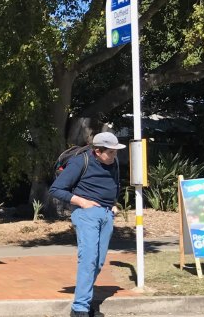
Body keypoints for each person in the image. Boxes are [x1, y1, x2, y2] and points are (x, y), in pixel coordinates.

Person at [49, 132, 126, 317]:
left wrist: (114, 204)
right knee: (88, 259)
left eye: (116, 152)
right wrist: (82, 202)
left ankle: (85, 301)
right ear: (97, 151)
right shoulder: (80, 162)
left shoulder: (113, 162)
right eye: (111, 153)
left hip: (107, 214)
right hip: (86, 214)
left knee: (98, 262)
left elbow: (113, 184)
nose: (114, 156)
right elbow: (56, 189)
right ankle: (80, 308)